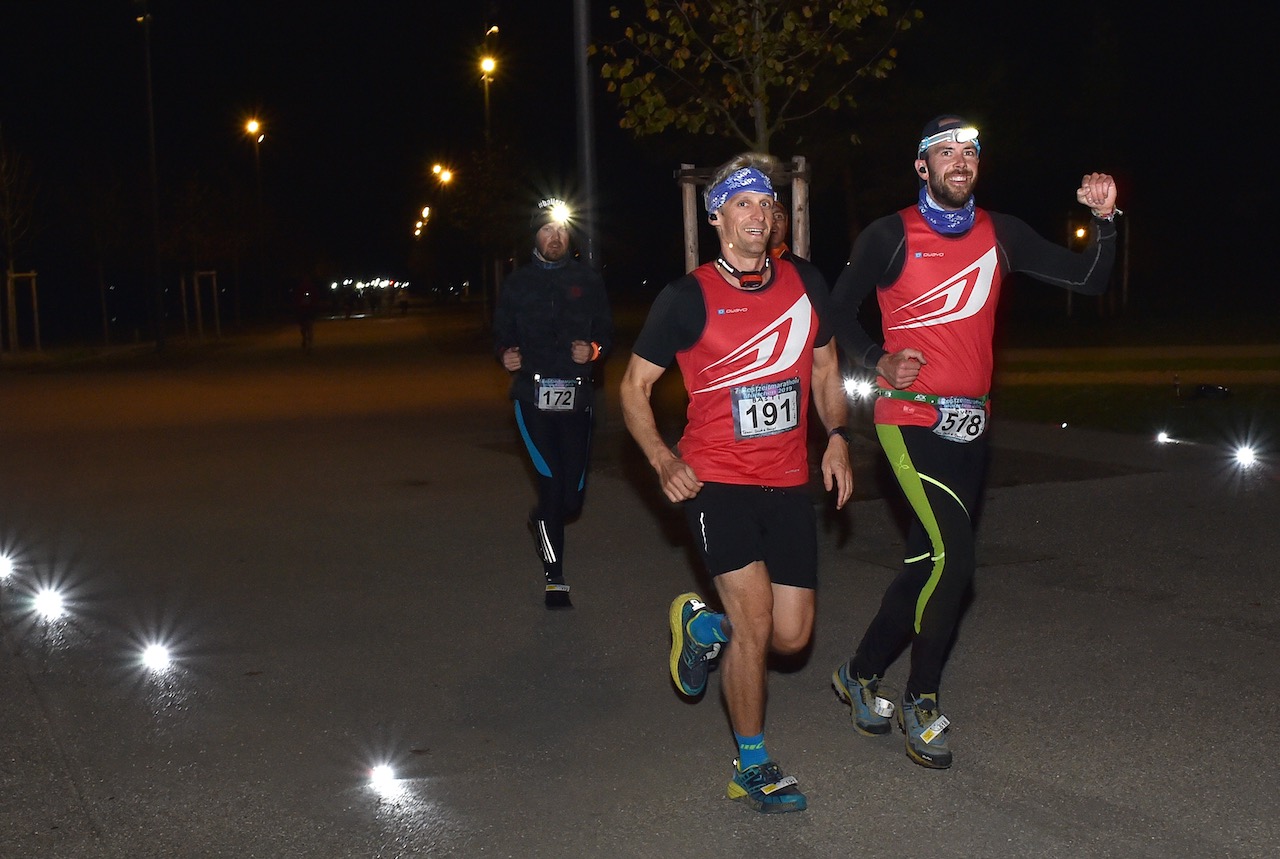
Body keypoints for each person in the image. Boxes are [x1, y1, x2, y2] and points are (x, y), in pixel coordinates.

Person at [828, 115, 1120, 769]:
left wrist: (1106, 221)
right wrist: (876, 359)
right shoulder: (889, 235)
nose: (960, 161)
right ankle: (921, 701)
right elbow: (836, 310)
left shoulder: (1001, 234)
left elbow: (1090, 280)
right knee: (955, 561)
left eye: (970, 152)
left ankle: (857, 672)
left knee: (926, 565)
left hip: (972, 428)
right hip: (908, 420)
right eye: (945, 152)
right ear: (921, 166)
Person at [619, 153, 853, 813]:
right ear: (717, 215)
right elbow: (634, 387)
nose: (759, 213)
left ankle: (701, 626)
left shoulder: (805, 282)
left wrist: (837, 435)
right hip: (715, 479)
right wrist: (664, 460)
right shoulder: (686, 297)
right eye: (743, 203)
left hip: (787, 480)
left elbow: (826, 367)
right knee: (755, 624)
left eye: (766, 202)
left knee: (791, 636)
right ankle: (751, 763)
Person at [493, 198, 613, 609]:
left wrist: (593, 352)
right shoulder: (517, 284)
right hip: (532, 396)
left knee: (571, 499)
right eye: (547, 229)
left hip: (577, 397)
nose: (555, 237)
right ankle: (554, 576)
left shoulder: (588, 280)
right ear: (535, 236)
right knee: (550, 486)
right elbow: (501, 334)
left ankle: (541, 519)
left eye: (561, 229)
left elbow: (607, 336)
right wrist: (506, 353)